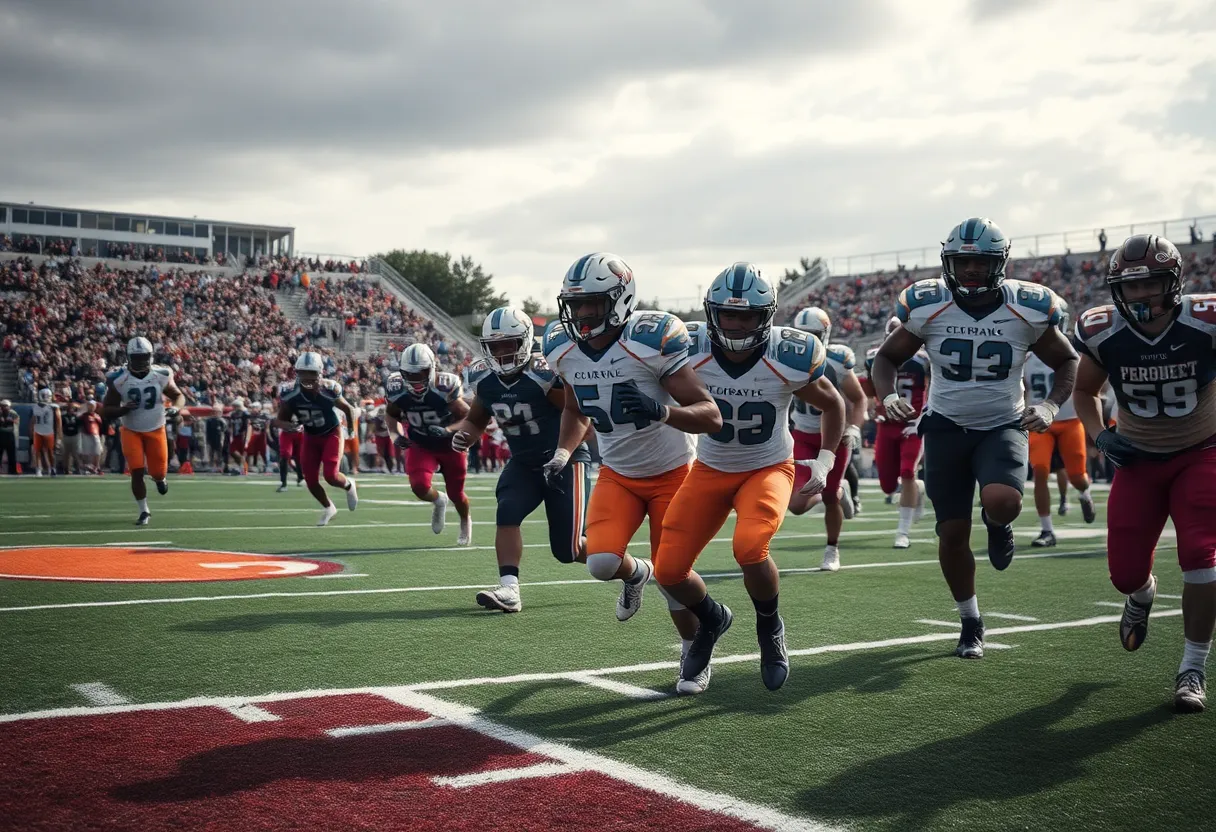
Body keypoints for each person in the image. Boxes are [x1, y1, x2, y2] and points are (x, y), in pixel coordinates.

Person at [872, 217, 1078, 659]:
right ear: (948, 262)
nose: (969, 270)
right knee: (951, 533)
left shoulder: (1028, 307)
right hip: (945, 425)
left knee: (1003, 500)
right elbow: (887, 357)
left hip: (1002, 423)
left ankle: (998, 522)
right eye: (961, 261)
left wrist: (1049, 405)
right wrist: (887, 395)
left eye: (979, 263)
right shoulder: (928, 305)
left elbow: (1067, 362)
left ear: (998, 264)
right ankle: (970, 618)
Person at [655, 264, 845, 694]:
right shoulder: (688, 349)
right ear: (711, 314)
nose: (737, 325)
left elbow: (833, 403)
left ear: (767, 316)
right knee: (667, 570)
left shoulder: (788, 354)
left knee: (749, 547)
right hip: (710, 466)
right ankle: (711, 620)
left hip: (768, 466)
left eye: (747, 316)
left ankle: (769, 626)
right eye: (728, 315)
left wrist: (827, 459)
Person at [542, 252, 722, 651]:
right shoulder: (563, 347)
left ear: (620, 299)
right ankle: (635, 573)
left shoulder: (649, 340)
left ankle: (694, 651)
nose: (583, 314)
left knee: (673, 579)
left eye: (592, 303)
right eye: (576, 304)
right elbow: (574, 408)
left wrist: (661, 411)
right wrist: (561, 453)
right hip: (618, 474)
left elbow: (711, 415)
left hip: (672, 473)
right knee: (601, 562)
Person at [1072, 234, 1216, 713]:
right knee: (1125, 573)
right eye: (1130, 287)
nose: (1140, 296)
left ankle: (1192, 667)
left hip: (1202, 451)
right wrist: (1100, 435)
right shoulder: (1102, 330)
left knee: (1202, 555)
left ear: (1172, 283)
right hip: (1137, 457)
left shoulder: (1205, 322)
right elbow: (1086, 392)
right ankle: (1143, 594)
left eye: (1150, 284)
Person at [447, 306, 592, 613]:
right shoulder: (483, 378)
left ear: (525, 342)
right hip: (524, 462)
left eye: (508, 345)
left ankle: (629, 567)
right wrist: (466, 435)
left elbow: (578, 416)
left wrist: (563, 452)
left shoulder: (544, 374)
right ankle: (509, 589)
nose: (501, 353)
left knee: (568, 549)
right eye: (494, 347)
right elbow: (476, 420)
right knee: (508, 509)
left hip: (564, 460)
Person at [786, 306, 867, 571]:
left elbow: (858, 398)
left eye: (812, 334)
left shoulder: (836, 359)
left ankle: (832, 549)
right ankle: (828, 494)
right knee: (797, 505)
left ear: (825, 334)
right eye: (802, 334)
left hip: (834, 437)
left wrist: (854, 427)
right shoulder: (784, 357)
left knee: (831, 495)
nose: (807, 339)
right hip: (802, 435)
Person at [1022, 305, 1097, 547]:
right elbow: (1023, 389)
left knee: (1077, 476)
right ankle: (1047, 530)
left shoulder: (1076, 353)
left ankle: (1084, 494)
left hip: (1069, 420)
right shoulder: (1026, 356)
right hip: (1038, 421)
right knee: (1040, 470)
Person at [384, 343, 473, 545]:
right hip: (421, 442)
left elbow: (468, 416)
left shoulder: (444, 387)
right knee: (419, 486)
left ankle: (464, 520)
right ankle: (438, 500)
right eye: (410, 374)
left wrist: (448, 430)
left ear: (432, 368)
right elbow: (391, 415)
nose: (415, 379)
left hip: (450, 445)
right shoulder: (397, 388)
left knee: (457, 493)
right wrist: (395, 435)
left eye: (421, 373)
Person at [101, 337, 186, 525]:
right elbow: (106, 410)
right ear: (129, 357)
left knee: (157, 471)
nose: (140, 361)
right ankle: (144, 511)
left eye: (143, 357)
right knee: (136, 471)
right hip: (131, 430)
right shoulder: (119, 379)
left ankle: (160, 478)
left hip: (156, 428)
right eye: (136, 357)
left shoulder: (161, 374)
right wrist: (123, 409)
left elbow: (178, 396)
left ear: (151, 356)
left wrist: (176, 408)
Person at [862, 316, 929, 548]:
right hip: (886, 425)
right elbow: (870, 390)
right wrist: (871, 407)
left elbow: (933, 389)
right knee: (888, 486)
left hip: (912, 425)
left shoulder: (923, 360)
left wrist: (922, 418)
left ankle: (903, 531)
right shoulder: (874, 358)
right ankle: (917, 489)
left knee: (908, 472)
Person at [274, 351, 359, 526]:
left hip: (331, 433)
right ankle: (329, 507)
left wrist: (350, 430)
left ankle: (349, 485)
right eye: (303, 373)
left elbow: (348, 409)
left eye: (311, 373)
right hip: (311, 435)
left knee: (331, 476)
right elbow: (280, 420)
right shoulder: (290, 393)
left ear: (320, 373)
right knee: (310, 480)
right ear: (297, 373)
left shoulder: (329, 390)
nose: (307, 377)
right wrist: (288, 426)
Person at [275, 380, 304, 491]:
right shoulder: (285, 401)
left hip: (299, 432)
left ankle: (300, 477)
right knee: (285, 455)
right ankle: (284, 483)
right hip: (287, 432)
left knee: (299, 457)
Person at [30, 388, 60, 477]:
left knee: (50, 452)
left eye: (47, 396)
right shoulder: (36, 407)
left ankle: (52, 468)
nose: (46, 397)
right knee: (38, 451)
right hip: (39, 431)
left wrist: (59, 437)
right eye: (44, 396)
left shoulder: (54, 407)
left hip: (50, 432)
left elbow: (58, 423)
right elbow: (33, 421)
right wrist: (31, 431)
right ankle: (39, 468)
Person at [227, 398, 251, 475]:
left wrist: (247, 438)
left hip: (242, 435)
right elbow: (231, 426)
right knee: (232, 451)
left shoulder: (245, 414)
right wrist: (231, 435)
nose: (233, 408)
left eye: (235, 406)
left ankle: (244, 467)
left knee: (242, 452)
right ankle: (242, 466)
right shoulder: (233, 415)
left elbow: (248, 426)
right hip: (236, 435)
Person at [81, 401, 103, 475]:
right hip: (86, 435)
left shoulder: (97, 416)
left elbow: (101, 425)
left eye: (92, 406)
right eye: (90, 406)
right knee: (86, 452)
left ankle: (96, 467)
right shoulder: (83, 415)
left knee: (98, 451)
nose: (91, 407)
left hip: (96, 435)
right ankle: (87, 467)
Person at [0, 399, 19, 475]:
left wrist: (10, 420)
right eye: (2, 406)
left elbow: (17, 421)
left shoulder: (13, 413)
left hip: (10, 434)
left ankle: (13, 470)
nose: (4, 407)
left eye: (5, 406)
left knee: (11, 454)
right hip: (1, 433)